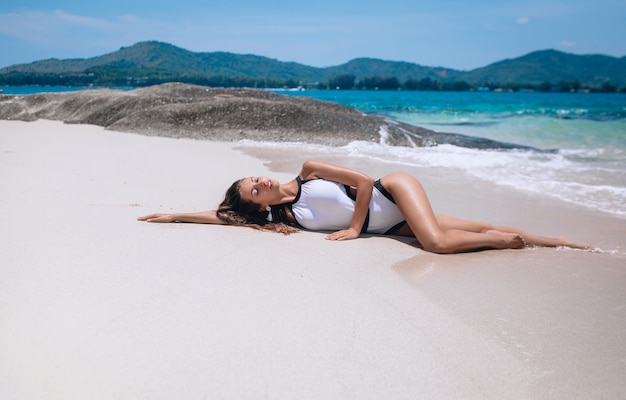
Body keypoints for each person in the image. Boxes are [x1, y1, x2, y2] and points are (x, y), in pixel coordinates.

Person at [138, 160, 591, 254]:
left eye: (254, 178)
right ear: (259, 208)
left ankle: (504, 243)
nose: (259, 183)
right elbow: (223, 217)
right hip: (391, 227)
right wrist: (175, 214)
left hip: (392, 192)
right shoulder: (287, 217)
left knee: (436, 242)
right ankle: (564, 243)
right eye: (254, 191)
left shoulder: (310, 171)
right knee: (473, 225)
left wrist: (357, 229)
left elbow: (360, 182)